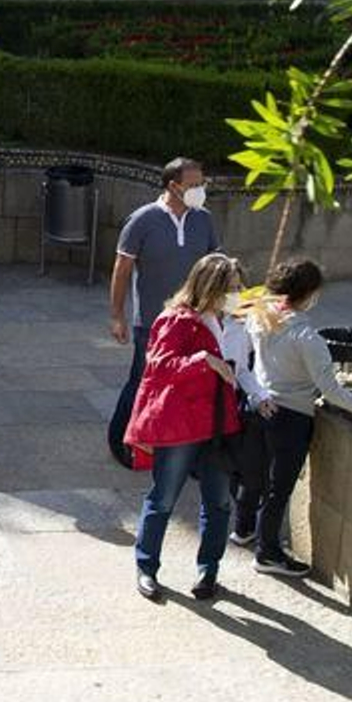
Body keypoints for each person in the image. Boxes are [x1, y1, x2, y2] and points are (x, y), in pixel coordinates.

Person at [232, 258, 352, 576]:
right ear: (309, 294)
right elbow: (332, 391)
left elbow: (241, 319)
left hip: (259, 407)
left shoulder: (258, 316)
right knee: (278, 490)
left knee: (253, 476)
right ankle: (267, 554)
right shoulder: (307, 339)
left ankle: (243, 528)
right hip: (290, 419)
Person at [126, 253, 248, 603]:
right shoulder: (176, 319)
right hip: (182, 425)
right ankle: (146, 568)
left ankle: (208, 571)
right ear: (211, 289)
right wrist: (204, 360)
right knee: (163, 497)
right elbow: (159, 366)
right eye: (232, 288)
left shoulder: (234, 322)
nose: (238, 295)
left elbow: (243, 368)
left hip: (218, 425)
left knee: (219, 502)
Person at [108, 158, 222, 467]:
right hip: (152, 323)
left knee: (187, 382)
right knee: (142, 381)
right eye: (194, 184)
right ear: (173, 186)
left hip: (194, 320)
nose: (200, 189)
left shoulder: (204, 220)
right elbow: (122, 269)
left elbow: (215, 266)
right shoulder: (142, 220)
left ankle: (175, 445)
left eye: (202, 183)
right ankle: (120, 441)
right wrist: (117, 315)